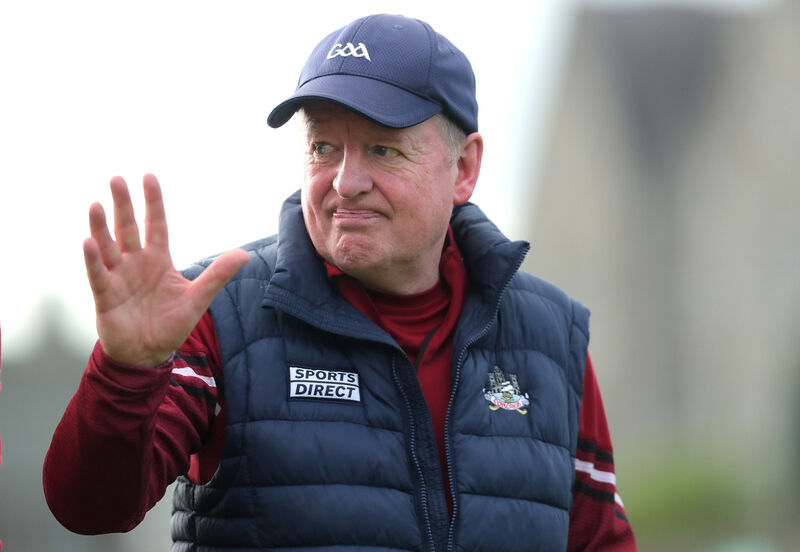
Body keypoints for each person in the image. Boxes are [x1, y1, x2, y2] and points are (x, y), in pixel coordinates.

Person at [44, 13, 636, 551]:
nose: (346, 181)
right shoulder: (213, 311)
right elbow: (91, 509)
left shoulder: (551, 336)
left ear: (465, 168)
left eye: (383, 149)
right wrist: (126, 371)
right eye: (323, 146)